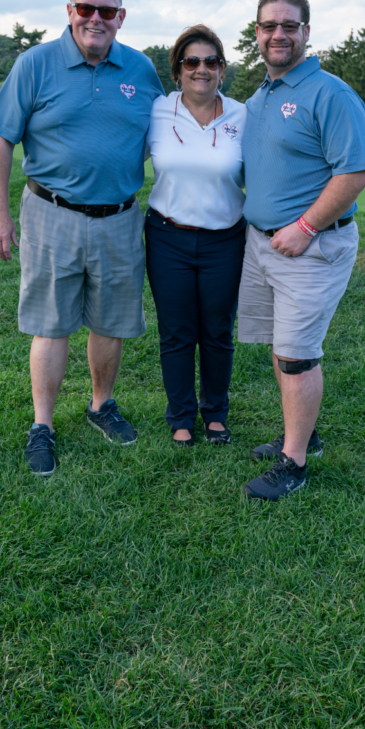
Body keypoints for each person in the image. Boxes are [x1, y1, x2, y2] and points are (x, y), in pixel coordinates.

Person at [0, 0, 164, 476]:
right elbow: (1, 139)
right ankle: (43, 424)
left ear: (121, 17)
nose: (95, 19)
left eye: (107, 11)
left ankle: (100, 404)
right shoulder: (35, 64)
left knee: (110, 322)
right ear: (69, 11)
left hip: (120, 217)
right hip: (50, 213)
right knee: (51, 322)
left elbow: (167, 130)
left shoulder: (140, 70)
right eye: (85, 8)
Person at [238, 0, 365, 500]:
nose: (278, 34)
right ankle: (304, 435)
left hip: (312, 247)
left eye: (289, 26)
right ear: (257, 32)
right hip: (263, 246)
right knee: (281, 344)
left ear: (306, 32)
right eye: (269, 25)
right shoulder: (260, 95)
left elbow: (356, 171)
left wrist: (307, 227)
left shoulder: (330, 93)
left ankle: (294, 462)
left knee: (296, 355)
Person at [145, 25, 247, 446]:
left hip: (225, 239)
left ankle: (216, 414)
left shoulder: (243, 114)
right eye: (191, 62)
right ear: (177, 71)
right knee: (176, 330)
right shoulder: (156, 110)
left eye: (211, 62)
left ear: (222, 69)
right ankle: (182, 416)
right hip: (167, 236)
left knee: (218, 330)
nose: (201, 69)